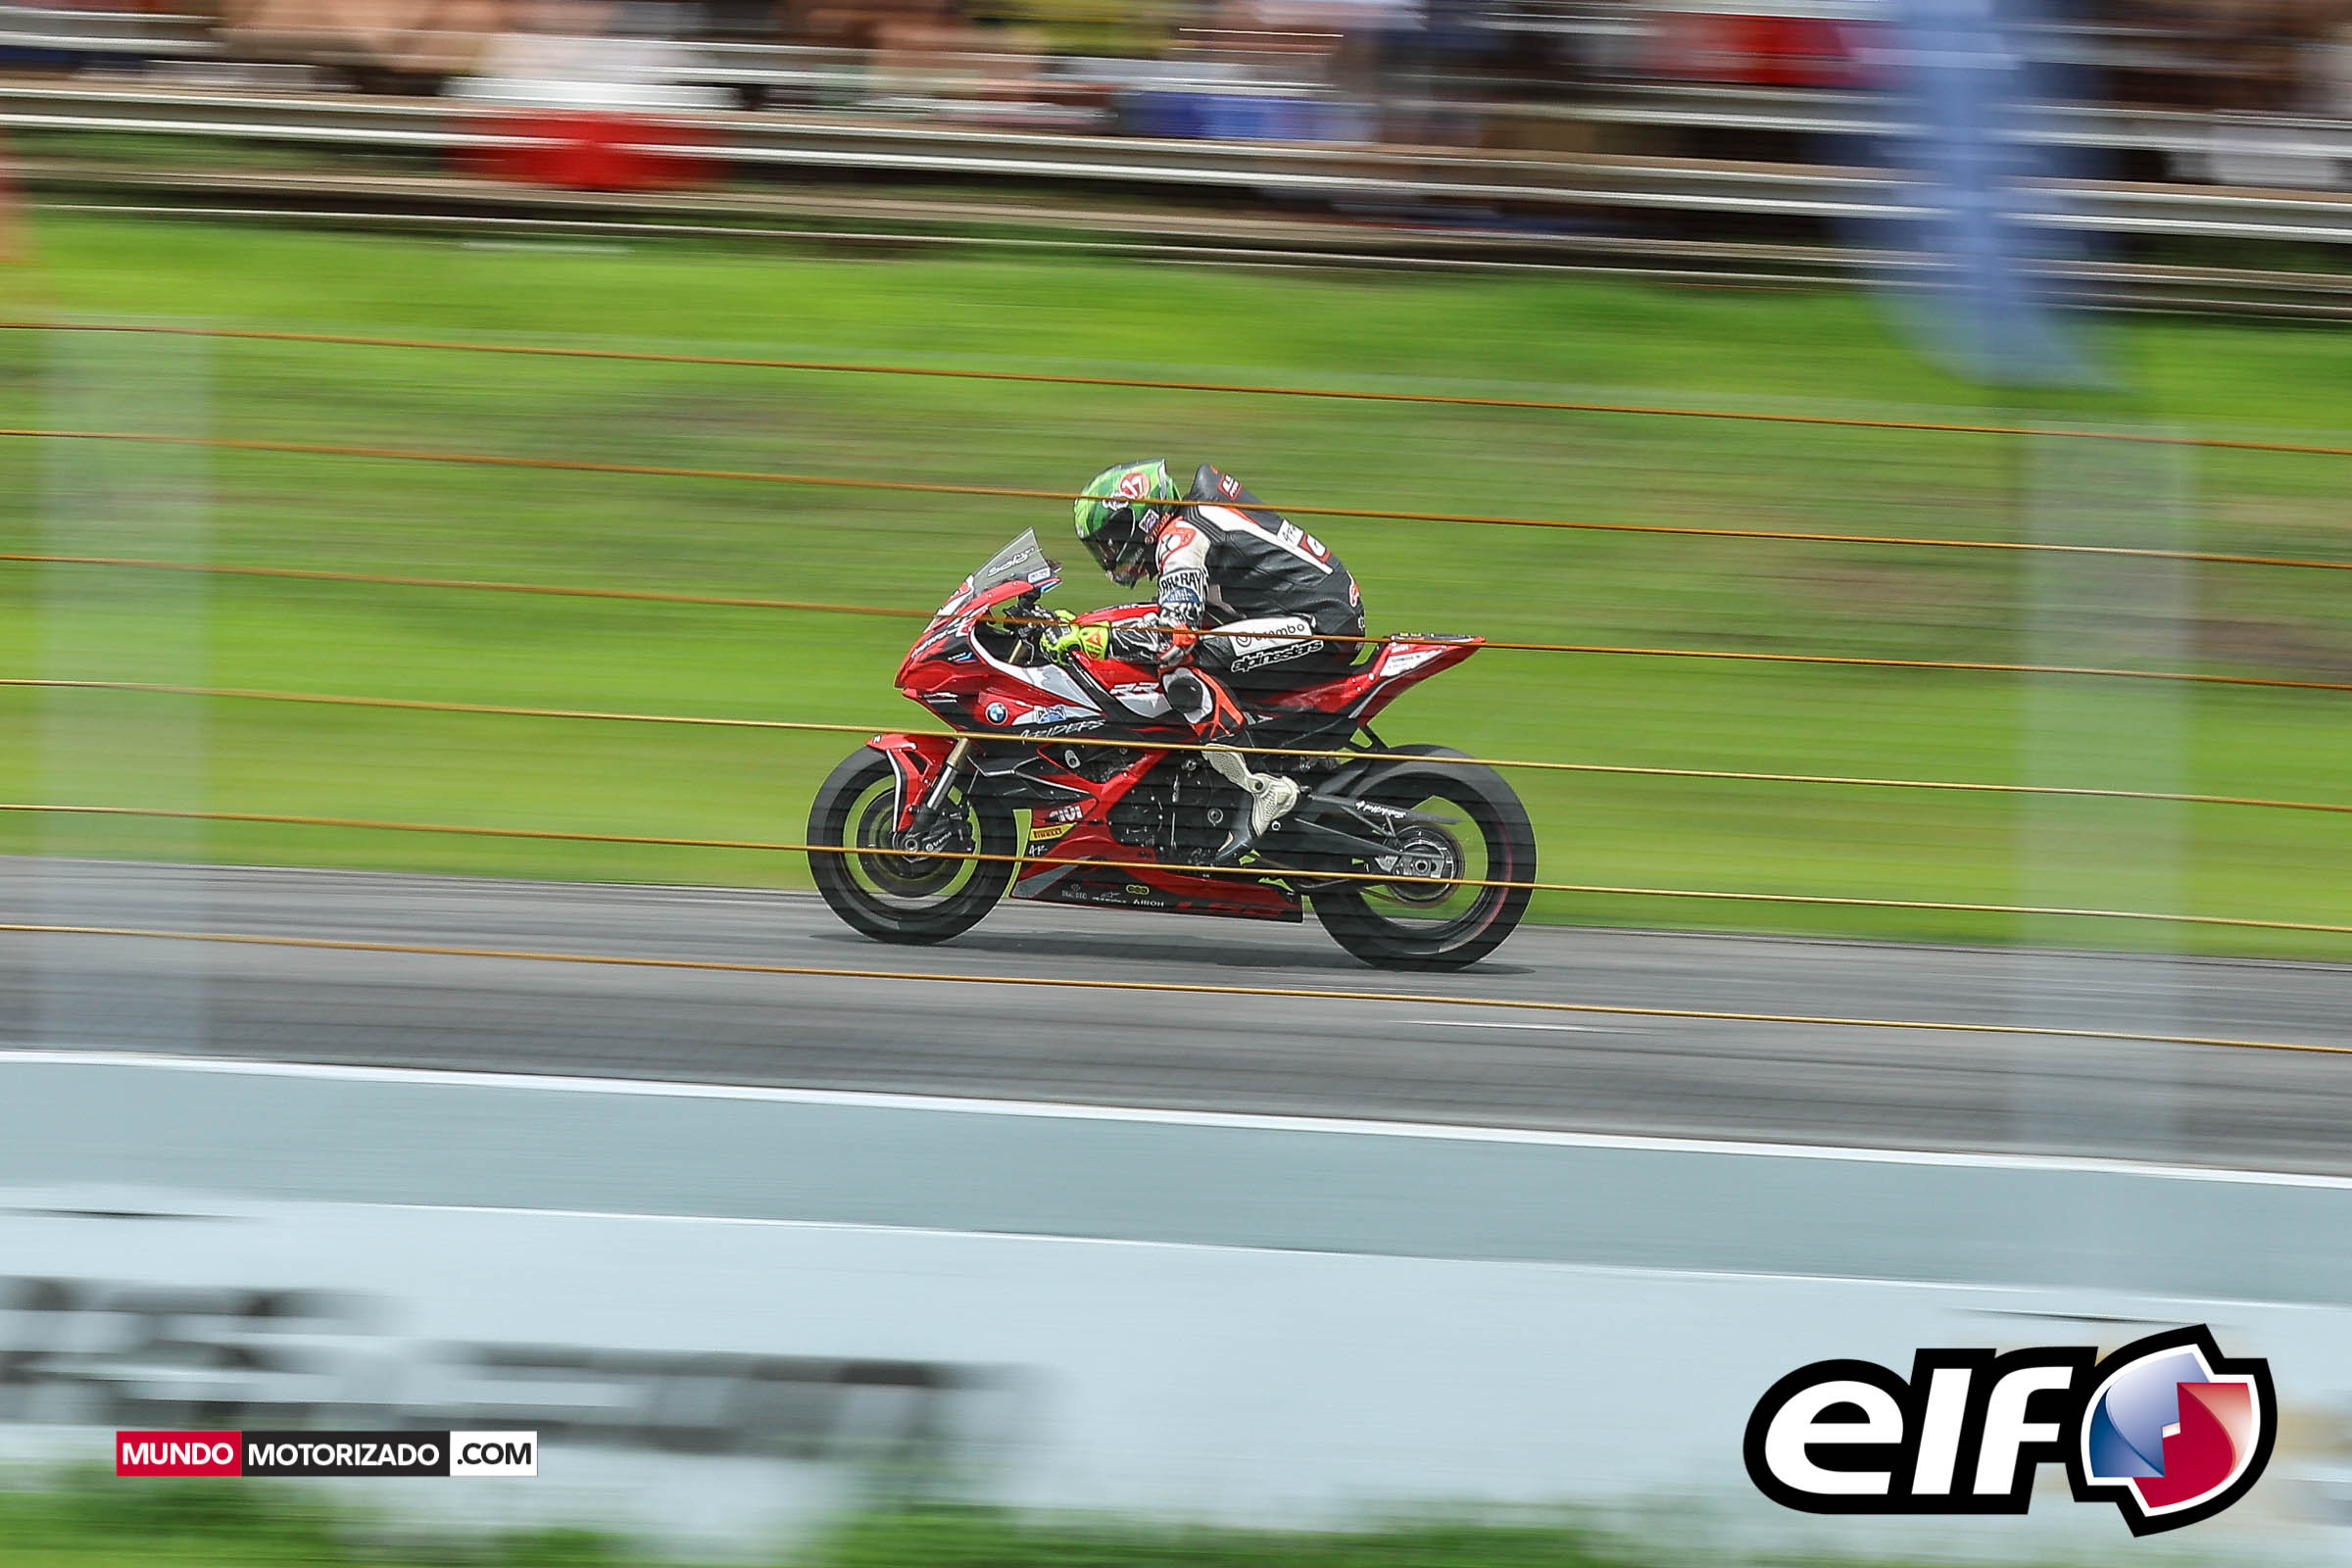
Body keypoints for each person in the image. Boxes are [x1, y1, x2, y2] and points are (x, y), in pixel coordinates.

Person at [1042, 459, 1368, 858]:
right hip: (1305, 612)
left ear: (1143, 518)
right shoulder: (1190, 522)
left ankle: (1261, 786)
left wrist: (1101, 640)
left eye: (1112, 538)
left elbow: (1174, 638)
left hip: (1319, 622)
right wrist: (1083, 625)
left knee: (1179, 670)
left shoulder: (1181, 539)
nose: (1109, 553)